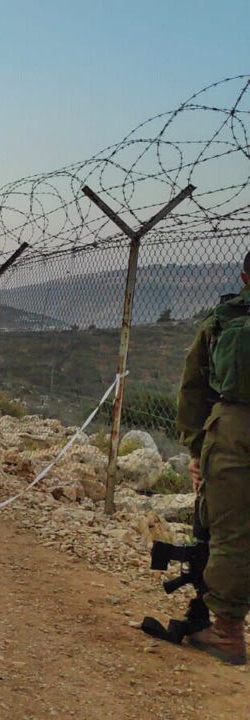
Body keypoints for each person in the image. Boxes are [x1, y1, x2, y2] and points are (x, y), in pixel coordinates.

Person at [176, 249, 250, 665]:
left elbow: (193, 389)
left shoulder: (222, 320)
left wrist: (195, 449)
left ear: (244, 278)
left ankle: (227, 633)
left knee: (230, 531)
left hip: (234, 429)